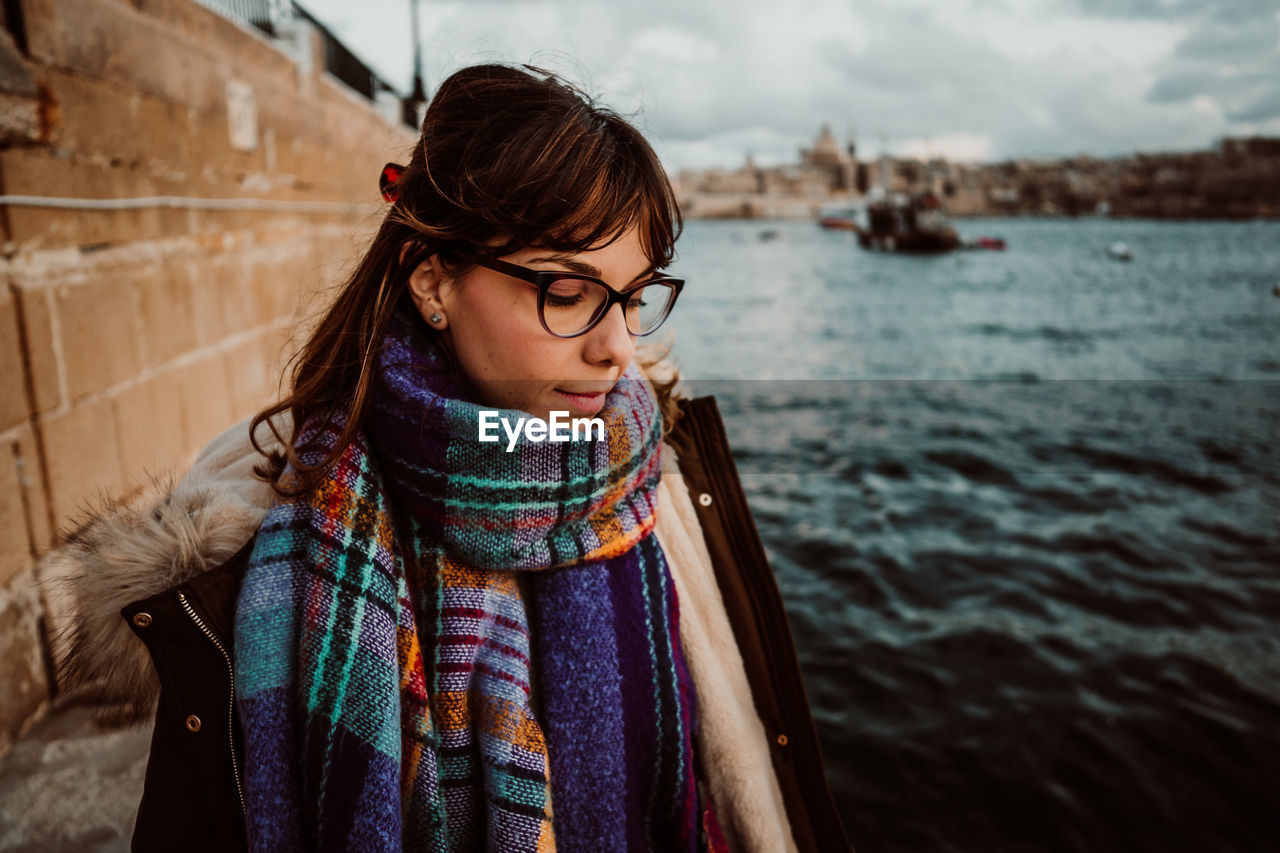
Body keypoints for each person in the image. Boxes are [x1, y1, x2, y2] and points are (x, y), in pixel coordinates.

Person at [52, 64, 850, 852]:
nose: (618, 350)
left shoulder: (648, 463)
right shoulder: (267, 553)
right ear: (432, 280)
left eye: (635, 297)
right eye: (567, 293)